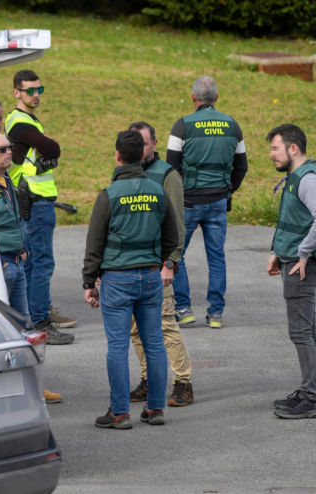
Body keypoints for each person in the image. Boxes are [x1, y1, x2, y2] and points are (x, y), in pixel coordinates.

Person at [82, 130, 179, 429]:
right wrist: (160, 262)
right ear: (143, 155)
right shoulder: (158, 190)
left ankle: (121, 412)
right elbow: (172, 237)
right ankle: (155, 409)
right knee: (155, 344)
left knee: (117, 347)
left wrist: (89, 282)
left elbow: (94, 243)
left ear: (118, 155)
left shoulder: (108, 195)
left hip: (117, 279)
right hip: (150, 277)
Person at [0, 132, 70, 404]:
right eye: (1, 149)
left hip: (15, 262)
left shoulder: (6, 178)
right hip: (1, 265)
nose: (8, 152)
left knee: (24, 332)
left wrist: (23, 248)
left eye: (9, 148)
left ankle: (34, 387)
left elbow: (13, 219)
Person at [167, 76, 249, 328]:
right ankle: (215, 314)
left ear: (193, 97)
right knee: (216, 257)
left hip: (188, 202)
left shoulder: (181, 126)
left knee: (176, 255)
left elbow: (171, 168)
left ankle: (184, 308)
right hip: (218, 202)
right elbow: (241, 167)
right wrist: (227, 190)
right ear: (217, 97)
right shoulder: (232, 125)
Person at [265, 124, 316, 419]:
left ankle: (311, 398)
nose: (271, 155)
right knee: (307, 330)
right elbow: (293, 220)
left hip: (301, 266)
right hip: (290, 260)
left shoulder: (307, 180)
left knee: (301, 332)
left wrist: (303, 253)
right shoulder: (296, 177)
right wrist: (276, 253)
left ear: (293, 149)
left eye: (275, 148)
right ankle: (309, 390)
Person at [5, 69, 78, 337]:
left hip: (37, 201)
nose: (36, 95)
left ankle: (41, 310)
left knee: (34, 263)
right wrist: (45, 146)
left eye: (39, 90)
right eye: (30, 91)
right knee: (40, 263)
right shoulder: (19, 121)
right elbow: (53, 148)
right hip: (34, 202)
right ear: (17, 93)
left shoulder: (27, 120)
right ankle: (40, 321)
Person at [127, 121, 194, 407]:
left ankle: (183, 383)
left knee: (165, 324)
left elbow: (178, 226)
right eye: (134, 143)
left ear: (154, 143)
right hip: (129, 265)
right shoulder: (125, 174)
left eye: (143, 142)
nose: (139, 148)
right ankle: (148, 380)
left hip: (157, 265)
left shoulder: (168, 175)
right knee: (134, 329)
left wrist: (171, 263)